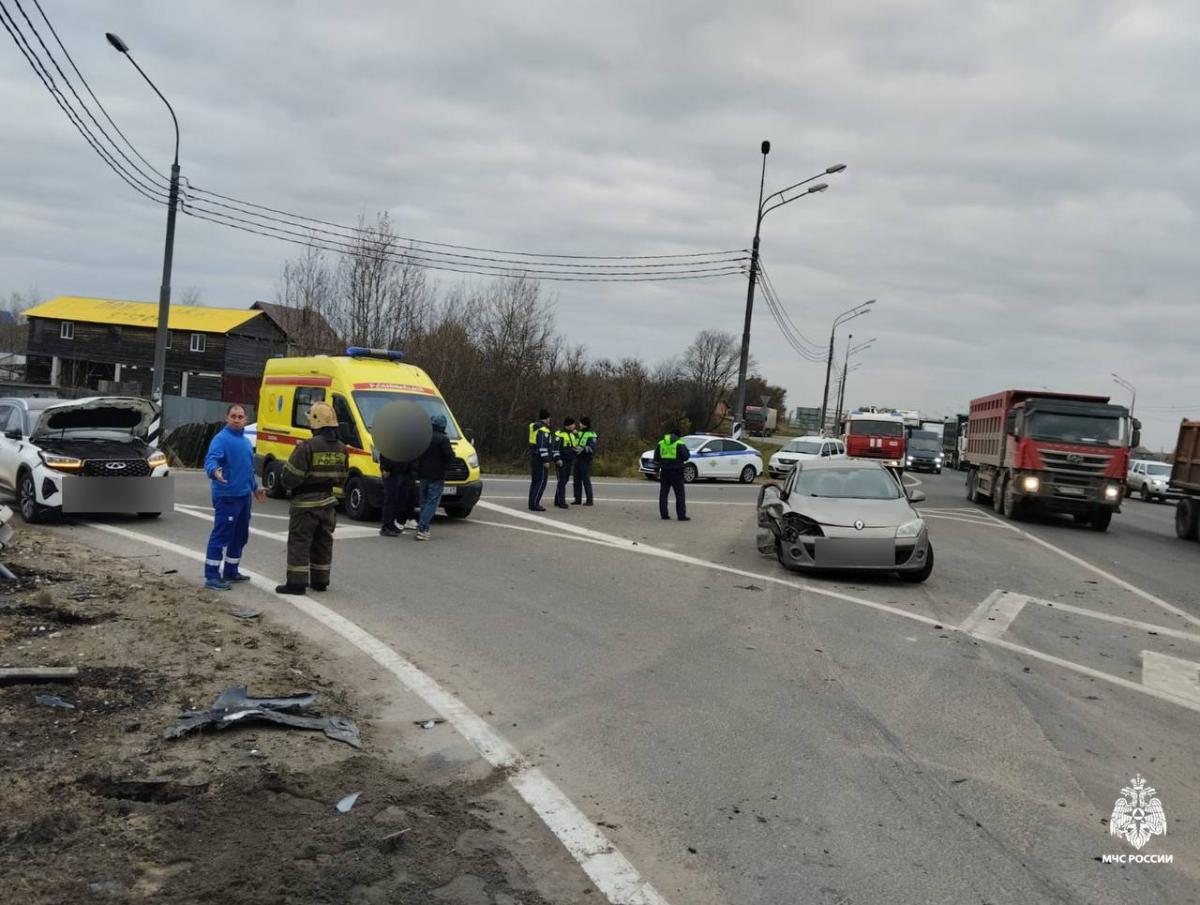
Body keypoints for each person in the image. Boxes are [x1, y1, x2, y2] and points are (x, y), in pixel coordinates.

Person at [275, 401, 349, 595]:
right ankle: (320, 581)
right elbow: (342, 479)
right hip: (328, 505)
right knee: (323, 543)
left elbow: (290, 478)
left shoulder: (307, 447)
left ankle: (296, 584)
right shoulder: (342, 448)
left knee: (300, 542)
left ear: (315, 422)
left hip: (305, 505)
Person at [203, 404, 266, 590]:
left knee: (240, 536)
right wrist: (214, 472)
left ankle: (231, 571)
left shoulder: (246, 442)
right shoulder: (220, 440)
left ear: (246, 419)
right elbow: (211, 460)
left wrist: (255, 488)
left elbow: (248, 470)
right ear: (226, 418)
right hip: (227, 495)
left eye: (240, 416)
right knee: (221, 535)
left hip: (244, 496)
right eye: (233, 416)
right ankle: (212, 576)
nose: (237, 419)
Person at [415, 413, 456, 540]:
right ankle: (422, 528)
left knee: (423, 501)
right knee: (432, 502)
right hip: (437, 475)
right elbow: (449, 457)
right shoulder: (443, 439)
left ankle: (424, 527)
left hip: (423, 474)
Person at [654, 427, 691, 521]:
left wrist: (661, 465)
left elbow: (656, 457)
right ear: (679, 435)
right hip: (677, 472)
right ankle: (681, 516)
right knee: (680, 495)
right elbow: (686, 457)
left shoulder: (661, 443)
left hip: (664, 471)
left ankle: (664, 515)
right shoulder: (679, 443)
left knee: (663, 494)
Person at [379, 452, 417, 536]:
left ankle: (392, 524)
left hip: (405, 471)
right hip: (392, 472)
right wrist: (386, 468)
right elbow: (385, 450)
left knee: (400, 499)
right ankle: (386, 527)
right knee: (390, 499)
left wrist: (411, 469)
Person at [528, 408, 553, 511]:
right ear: (546, 418)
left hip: (534, 456)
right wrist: (546, 460)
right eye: (549, 418)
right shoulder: (543, 430)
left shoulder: (534, 426)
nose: (550, 420)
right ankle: (535, 504)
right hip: (540, 459)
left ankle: (531, 503)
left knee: (535, 481)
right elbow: (543, 446)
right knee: (541, 481)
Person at [553, 417, 580, 509]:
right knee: (562, 481)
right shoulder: (560, 435)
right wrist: (557, 459)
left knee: (565, 480)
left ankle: (557, 500)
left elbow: (575, 446)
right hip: (561, 461)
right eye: (572, 424)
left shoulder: (572, 435)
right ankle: (561, 502)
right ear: (567, 425)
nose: (574, 426)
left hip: (569, 461)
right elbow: (555, 448)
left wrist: (577, 436)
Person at [573, 416, 597, 506]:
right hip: (577, 459)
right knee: (576, 480)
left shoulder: (591, 434)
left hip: (585, 460)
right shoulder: (579, 433)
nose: (579, 424)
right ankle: (577, 499)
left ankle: (589, 500)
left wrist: (583, 449)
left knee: (586, 480)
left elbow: (592, 448)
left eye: (580, 423)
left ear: (584, 424)